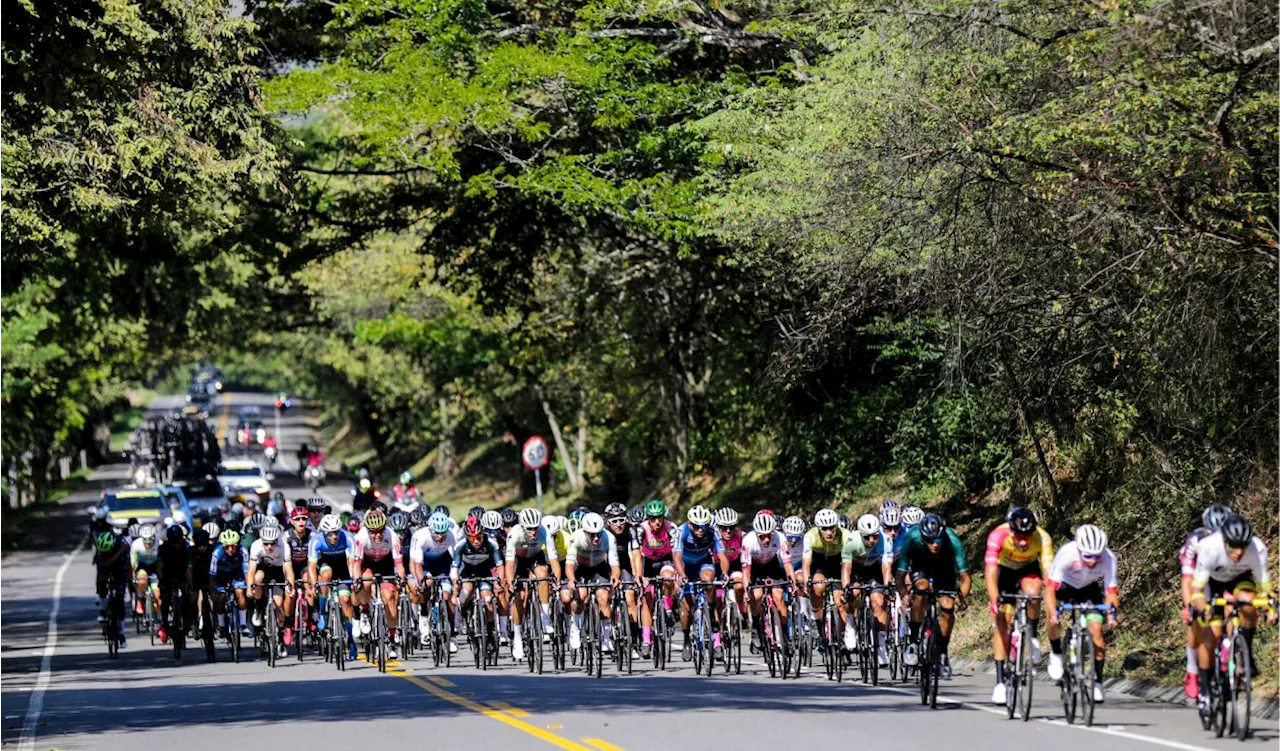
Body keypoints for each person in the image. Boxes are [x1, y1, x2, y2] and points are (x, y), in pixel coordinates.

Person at [1190, 514, 1274, 719]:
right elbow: (1197, 589)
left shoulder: (1257, 548)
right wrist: (1202, 607)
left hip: (1240, 579)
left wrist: (1271, 608)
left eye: (1242, 547)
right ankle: (1205, 692)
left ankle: (1246, 654)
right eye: (1233, 546)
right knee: (1211, 635)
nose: (1238, 552)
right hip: (1212, 583)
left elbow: (1265, 587)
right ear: (1224, 540)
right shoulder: (1210, 548)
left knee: (1249, 601)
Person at [984, 506, 1054, 704]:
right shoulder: (998, 535)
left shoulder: (1043, 538)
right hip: (1004, 572)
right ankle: (999, 683)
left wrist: (1050, 598)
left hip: (1028, 570)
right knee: (1001, 622)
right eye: (1019, 536)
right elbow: (990, 575)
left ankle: (1031, 634)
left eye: (1028, 536)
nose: (1023, 541)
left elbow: (1049, 576)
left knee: (1034, 592)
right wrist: (995, 599)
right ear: (1011, 531)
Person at [1044, 524, 1119, 702]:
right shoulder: (1067, 553)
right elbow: (1049, 590)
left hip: (1088, 590)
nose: (1092, 561)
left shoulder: (1109, 558)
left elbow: (1111, 591)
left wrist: (1111, 615)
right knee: (1052, 618)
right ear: (1079, 549)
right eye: (1087, 556)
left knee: (1097, 632)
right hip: (1065, 586)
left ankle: (1098, 681)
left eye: (1096, 556)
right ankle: (1056, 653)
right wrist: (1053, 612)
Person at [895, 513, 971, 681]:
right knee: (921, 588)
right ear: (923, 537)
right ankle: (913, 642)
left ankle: (943, 653)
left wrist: (961, 598)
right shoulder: (912, 537)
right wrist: (905, 595)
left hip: (944, 569)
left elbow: (965, 578)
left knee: (947, 607)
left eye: (937, 540)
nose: (934, 545)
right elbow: (900, 575)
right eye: (929, 541)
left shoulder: (952, 540)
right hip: (920, 565)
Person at [1178, 504, 1230, 699]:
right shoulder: (1195, 541)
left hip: (1223, 577)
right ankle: (1192, 669)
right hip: (1200, 578)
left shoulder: (1234, 538)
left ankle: (1231, 654)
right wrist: (1189, 606)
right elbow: (1187, 580)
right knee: (1196, 622)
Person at [504, 508, 562, 661]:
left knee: (543, 575)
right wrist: (510, 582)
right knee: (521, 597)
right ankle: (517, 636)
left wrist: (556, 578)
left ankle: (544, 617)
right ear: (522, 526)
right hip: (519, 560)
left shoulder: (544, 532)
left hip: (536, 556)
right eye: (529, 529)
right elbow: (509, 564)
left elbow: (553, 560)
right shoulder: (514, 534)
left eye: (536, 527)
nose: (533, 532)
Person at [673, 505, 728, 661]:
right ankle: (686, 641)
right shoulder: (681, 531)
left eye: (704, 525)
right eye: (697, 526)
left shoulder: (713, 531)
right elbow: (676, 557)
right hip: (685, 566)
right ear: (690, 524)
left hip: (703, 563)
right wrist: (682, 576)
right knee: (687, 607)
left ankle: (710, 613)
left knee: (709, 580)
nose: (701, 529)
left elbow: (722, 556)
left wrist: (724, 574)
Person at [352, 509, 406, 658]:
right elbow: (356, 564)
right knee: (366, 581)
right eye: (373, 532)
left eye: (380, 530)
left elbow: (399, 564)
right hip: (367, 564)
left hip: (385, 564)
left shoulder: (392, 536)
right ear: (368, 530)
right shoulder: (361, 537)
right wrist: (356, 580)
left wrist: (401, 579)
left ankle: (392, 637)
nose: (377, 535)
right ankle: (364, 611)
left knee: (389, 598)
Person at [565, 512, 621, 652]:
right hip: (581, 568)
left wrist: (615, 577)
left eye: (598, 534)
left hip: (599, 567)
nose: (596, 538)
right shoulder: (576, 537)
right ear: (585, 532)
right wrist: (572, 579)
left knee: (603, 597)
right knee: (581, 595)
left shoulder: (609, 537)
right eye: (592, 534)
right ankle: (575, 626)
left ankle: (606, 638)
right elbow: (569, 564)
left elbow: (614, 563)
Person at [742, 511, 795, 654]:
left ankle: (785, 636)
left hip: (772, 566)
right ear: (756, 534)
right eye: (762, 536)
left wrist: (792, 582)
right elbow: (746, 571)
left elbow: (788, 564)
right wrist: (747, 589)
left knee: (778, 597)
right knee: (757, 596)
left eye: (769, 535)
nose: (766, 540)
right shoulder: (748, 541)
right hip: (755, 568)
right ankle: (755, 628)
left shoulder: (780, 537)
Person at [411, 511, 460, 653]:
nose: (440, 537)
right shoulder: (421, 536)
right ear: (431, 530)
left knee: (447, 595)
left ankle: (450, 633)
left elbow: (456, 559)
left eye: (442, 533)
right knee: (427, 584)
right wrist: (420, 582)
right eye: (436, 533)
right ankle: (424, 614)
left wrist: (455, 579)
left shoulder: (450, 536)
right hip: (424, 564)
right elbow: (417, 564)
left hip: (442, 564)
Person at [636, 500, 678, 659]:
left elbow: (676, 552)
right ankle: (646, 640)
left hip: (665, 560)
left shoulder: (670, 528)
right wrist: (640, 575)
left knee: (668, 579)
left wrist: (678, 574)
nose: (657, 522)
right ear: (648, 519)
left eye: (659, 518)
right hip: (647, 562)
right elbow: (637, 553)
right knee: (648, 597)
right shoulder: (641, 530)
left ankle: (667, 609)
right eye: (653, 519)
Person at [155, 525, 193, 644]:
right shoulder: (163, 548)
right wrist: (161, 580)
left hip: (182, 575)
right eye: (173, 541)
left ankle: (187, 621)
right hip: (167, 576)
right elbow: (159, 566)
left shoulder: (186, 547)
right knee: (165, 599)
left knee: (188, 597)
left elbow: (189, 567)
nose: (176, 544)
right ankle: (165, 624)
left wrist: (189, 582)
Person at [94, 531, 131, 646]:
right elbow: (103, 565)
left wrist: (128, 580)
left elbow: (128, 564)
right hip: (106, 568)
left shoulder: (121, 544)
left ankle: (122, 632)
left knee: (119, 600)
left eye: (108, 551)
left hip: (119, 569)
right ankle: (103, 609)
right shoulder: (101, 553)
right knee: (101, 584)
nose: (106, 552)